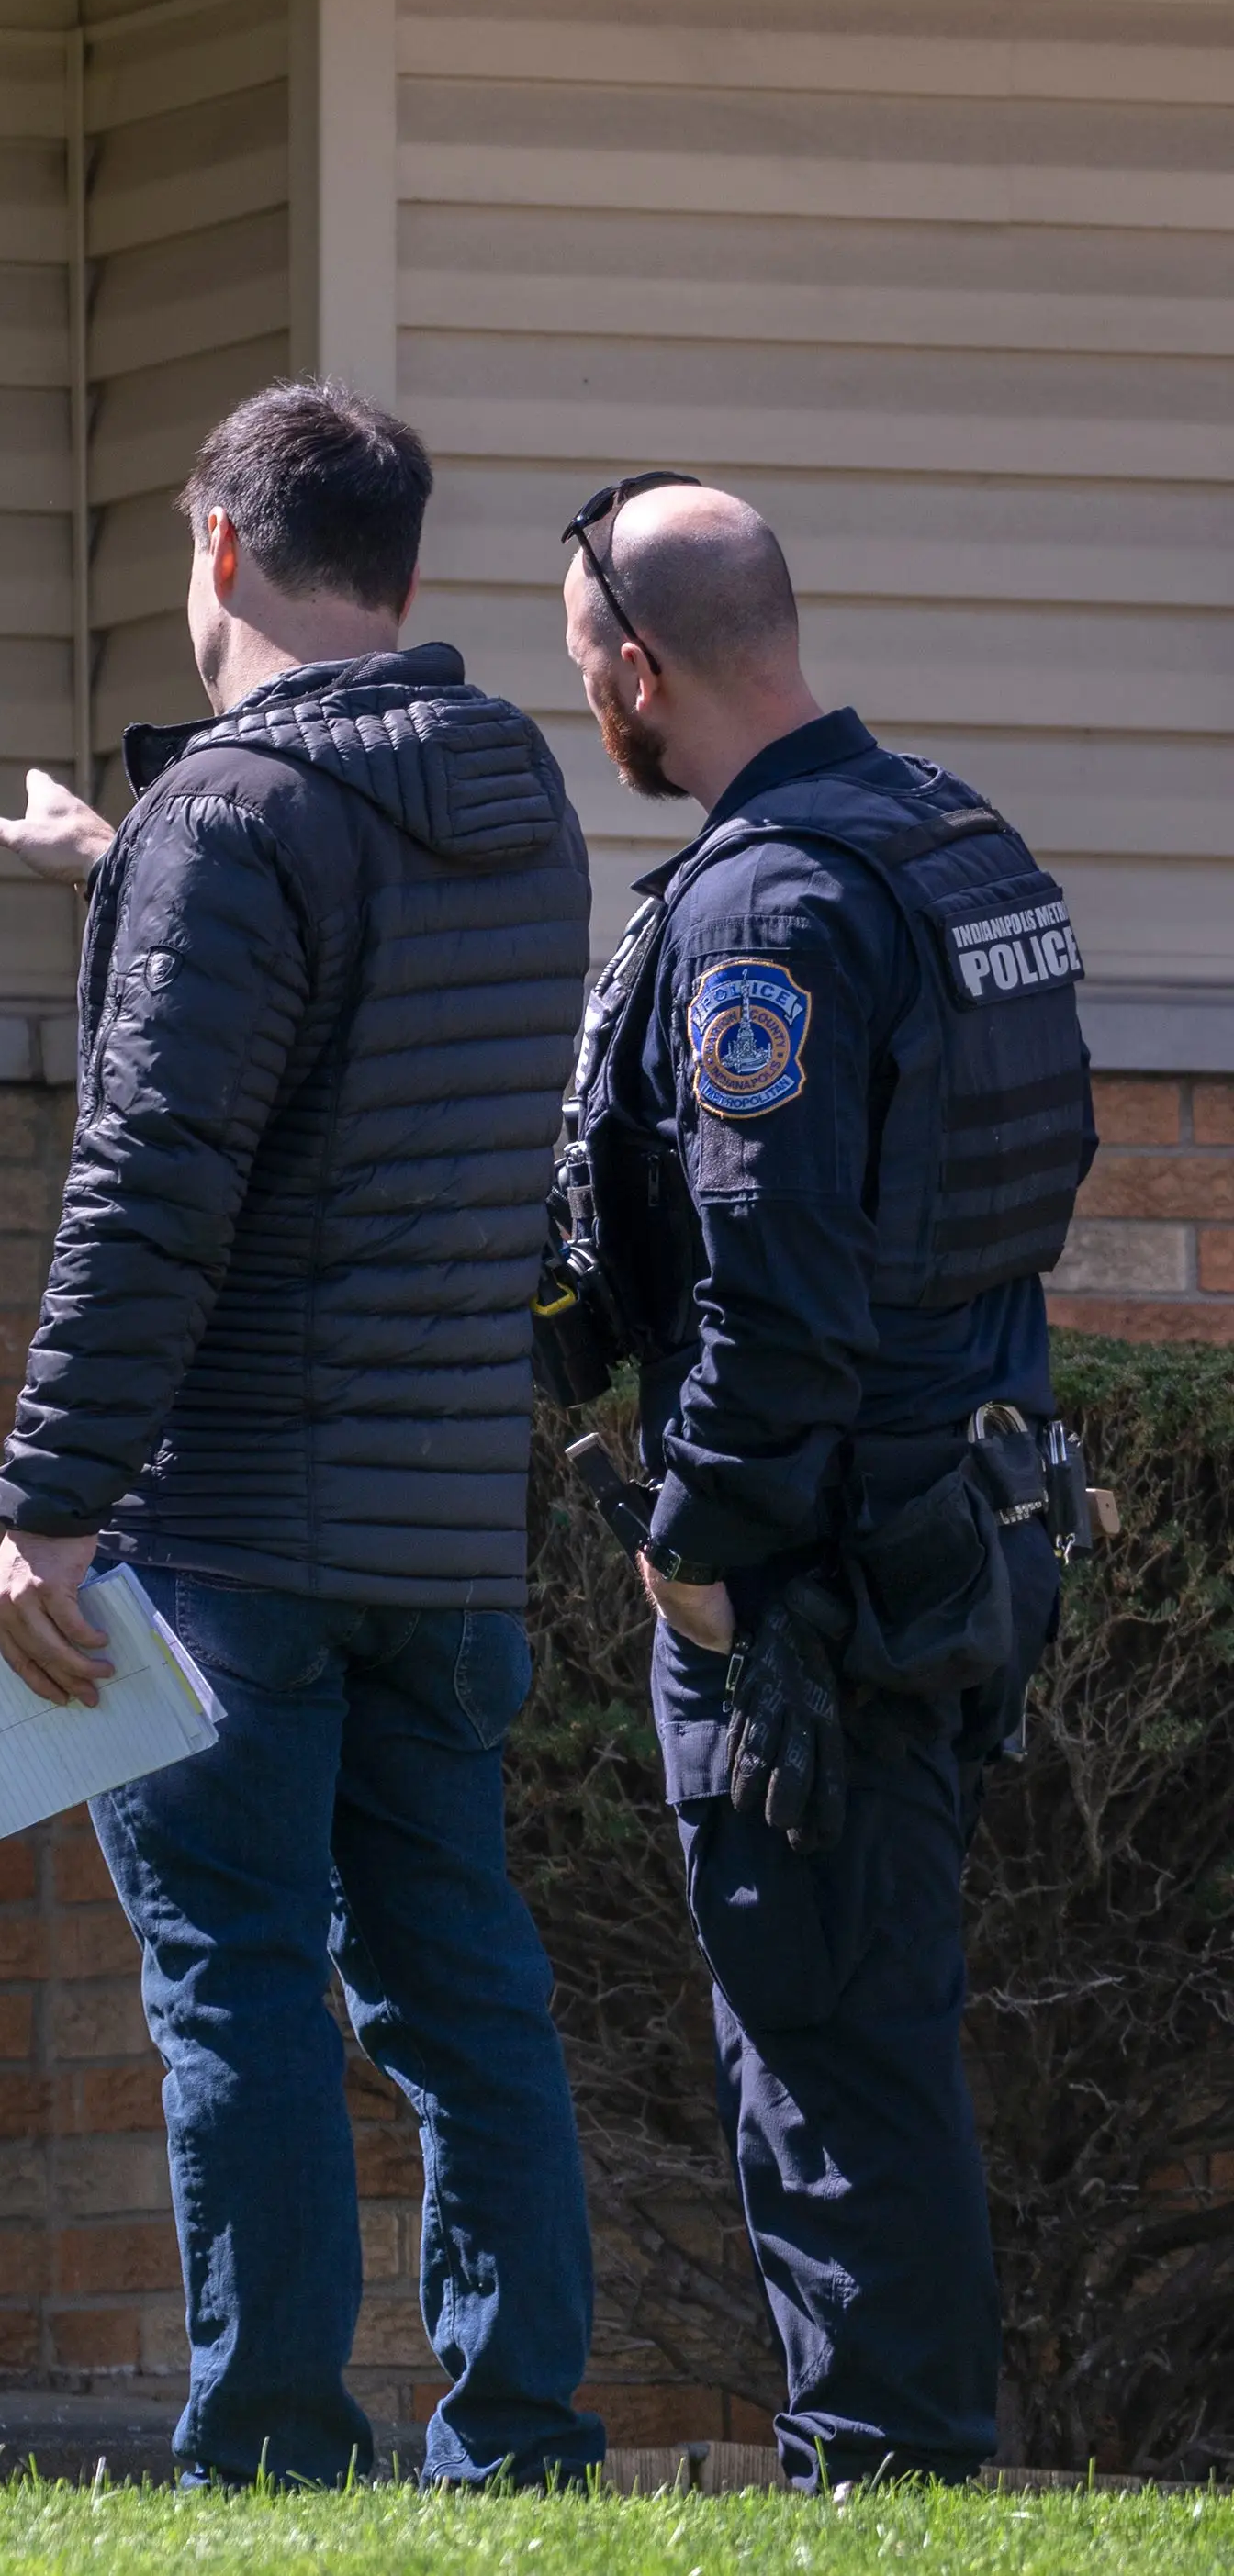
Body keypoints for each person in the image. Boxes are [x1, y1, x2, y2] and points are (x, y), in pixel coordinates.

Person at [0, 380, 606, 2489]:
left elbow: (156, 1186)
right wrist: (122, 858)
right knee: (462, 1987)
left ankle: (269, 2447)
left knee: (233, 1981)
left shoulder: (236, 822)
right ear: (402, 572)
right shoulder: (514, 787)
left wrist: (46, 1512)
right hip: (440, 1536)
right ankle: (519, 2438)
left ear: (222, 553)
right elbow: (359, 1021)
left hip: (231, 1526)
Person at [546, 474, 1094, 2488]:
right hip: (961, 1517)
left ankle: (886, 2469)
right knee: (875, 2021)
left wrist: (695, 1544)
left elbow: (776, 1300)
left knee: (828, 2042)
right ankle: (891, 2455)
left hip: (821, 1585)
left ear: (635, 666)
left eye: (581, 679)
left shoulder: (768, 905)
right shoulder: (955, 838)